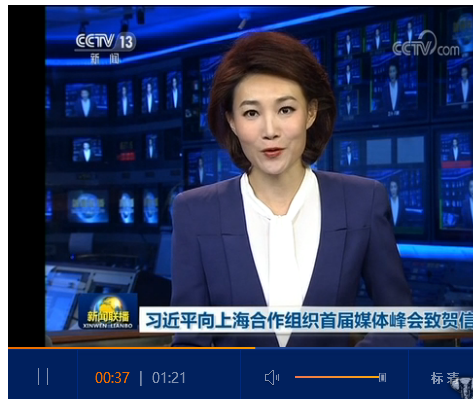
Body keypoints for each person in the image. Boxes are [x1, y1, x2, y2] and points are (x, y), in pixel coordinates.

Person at [170, 31, 416, 348]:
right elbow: (189, 344)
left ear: (310, 112)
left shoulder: (363, 202)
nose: (270, 130)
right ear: (231, 121)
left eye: (285, 109)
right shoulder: (195, 212)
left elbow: (400, 324)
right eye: (251, 113)